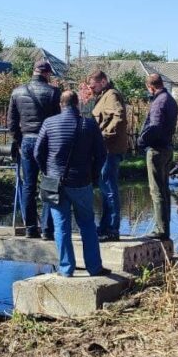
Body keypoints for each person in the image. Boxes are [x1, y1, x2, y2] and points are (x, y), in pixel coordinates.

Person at [34, 90, 107, 277]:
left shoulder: (49, 123)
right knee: (87, 225)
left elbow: (37, 153)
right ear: (78, 104)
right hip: (82, 182)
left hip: (55, 183)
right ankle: (94, 268)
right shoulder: (89, 125)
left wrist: (47, 171)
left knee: (61, 227)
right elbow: (101, 154)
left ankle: (66, 269)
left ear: (61, 104)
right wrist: (93, 174)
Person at [7, 60, 61, 239]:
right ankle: (47, 229)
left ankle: (30, 228)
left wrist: (19, 142)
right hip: (47, 142)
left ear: (33, 71)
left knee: (28, 185)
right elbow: (56, 122)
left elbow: (12, 123)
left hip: (27, 141)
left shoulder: (17, 92)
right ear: (47, 74)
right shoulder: (53, 92)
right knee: (49, 183)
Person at [87, 71, 128, 242]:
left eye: (93, 85)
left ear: (103, 81)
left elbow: (119, 116)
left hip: (109, 150)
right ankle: (104, 227)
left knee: (109, 190)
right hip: (106, 150)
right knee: (105, 189)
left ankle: (112, 229)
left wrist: (104, 135)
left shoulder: (111, 95)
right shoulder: (104, 95)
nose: (91, 89)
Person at [137, 73, 178, 242]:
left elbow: (154, 126)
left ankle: (161, 229)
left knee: (156, 191)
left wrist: (141, 140)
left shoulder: (158, 102)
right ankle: (165, 227)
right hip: (168, 148)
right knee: (164, 189)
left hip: (157, 150)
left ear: (151, 87)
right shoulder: (170, 100)